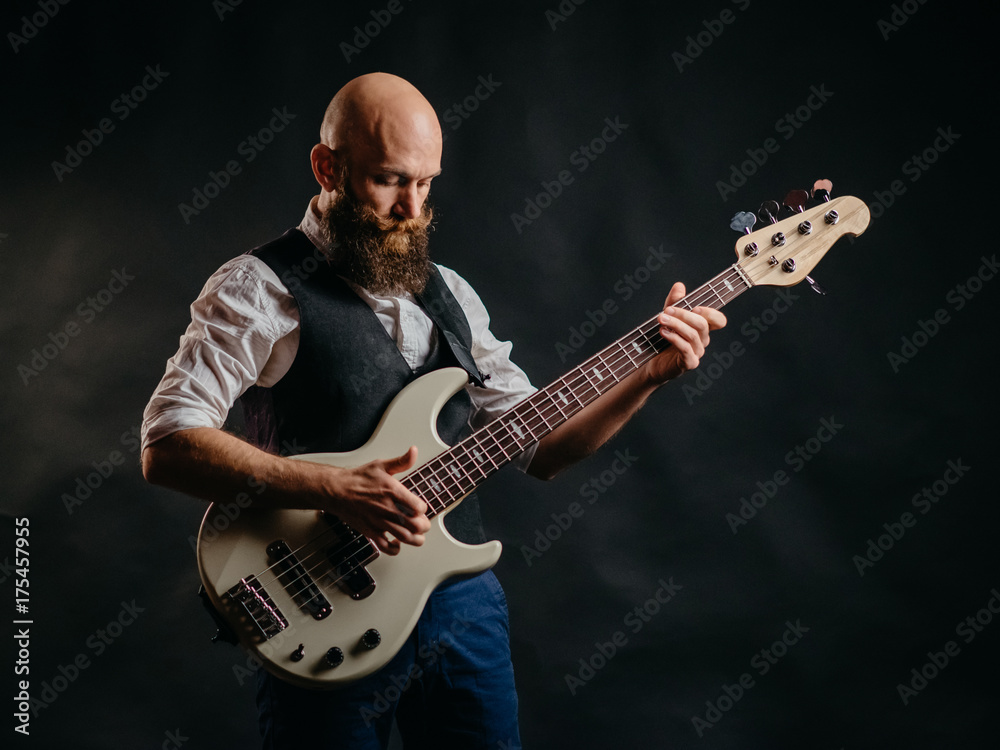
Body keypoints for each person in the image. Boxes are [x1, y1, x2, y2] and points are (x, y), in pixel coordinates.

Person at [141, 72, 726, 749]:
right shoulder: (258, 287)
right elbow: (168, 442)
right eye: (389, 180)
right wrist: (333, 488)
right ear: (327, 167)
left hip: (460, 607)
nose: (411, 208)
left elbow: (543, 449)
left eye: (425, 183)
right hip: (320, 605)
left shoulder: (450, 293)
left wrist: (647, 377)